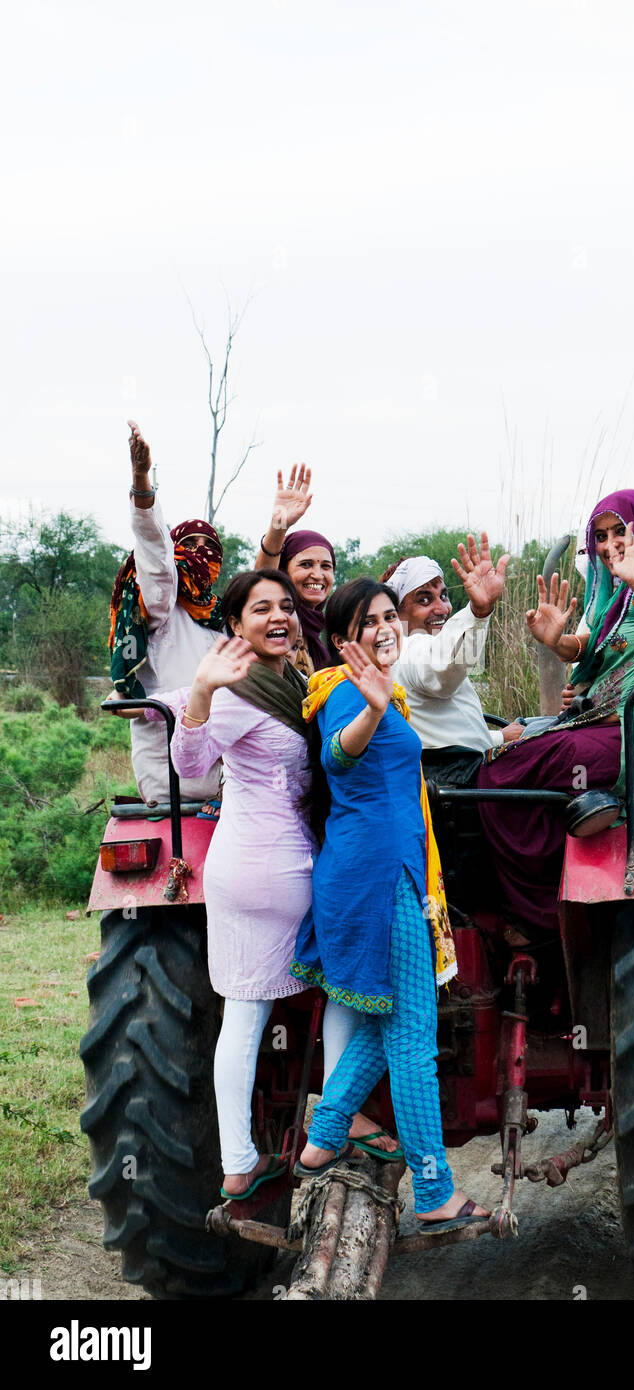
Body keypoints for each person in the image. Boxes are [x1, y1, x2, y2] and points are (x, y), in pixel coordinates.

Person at [146, 570, 394, 1199]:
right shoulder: (235, 688)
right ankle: (336, 1118)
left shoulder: (288, 679)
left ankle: (238, 1161)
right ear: (235, 625)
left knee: (246, 1015)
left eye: (287, 605)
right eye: (262, 609)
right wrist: (201, 693)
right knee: (338, 987)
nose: (280, 616)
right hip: (279, 867)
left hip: (247, 867)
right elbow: (193, 765)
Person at [291, 578, 489, 1233]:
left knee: (389, 1019)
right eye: (367, 620)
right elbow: (337, 757)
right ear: (344, 637)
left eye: (386, 616)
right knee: (412, 1037)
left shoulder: (386, 688)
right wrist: (372, 712)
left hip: (384, 868)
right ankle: (433, 1192)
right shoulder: (348, 690)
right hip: (379, 878)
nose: (383, 627)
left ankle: (323, 1133)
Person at [477, 488, 634, 933]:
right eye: (600, 535)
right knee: (518, 749)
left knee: (499, 774)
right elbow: (593, 652)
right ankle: (562, 890)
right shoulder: (611, 595)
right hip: (612, 727)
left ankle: (537, 919)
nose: (610, 544)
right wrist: (558, 641)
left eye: (621, 532)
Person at [108, 420, 224, 805]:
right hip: (169, 785)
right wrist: (142, 486)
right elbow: (156, 558)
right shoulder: (159, 603)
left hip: (229, 785)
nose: (198, 553)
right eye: (188, 544)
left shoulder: (224, 617)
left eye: (208, 545)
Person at [384, 533, 524, 753]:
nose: (443, 608)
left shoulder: (392, 654)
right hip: (462, 779)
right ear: (396, 612)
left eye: (444, 596)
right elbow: (441, 667)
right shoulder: (409, 650)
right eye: (424, 599)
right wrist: (478, 612)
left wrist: (499, 736)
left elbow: (444, 731)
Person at [255, 466, 336, 671]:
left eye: (326, 566)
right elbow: (263, 580)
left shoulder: (322, 641)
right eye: (306, 564)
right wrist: (279, 526)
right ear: (283, 571)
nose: (317, 575)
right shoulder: (277, 622)